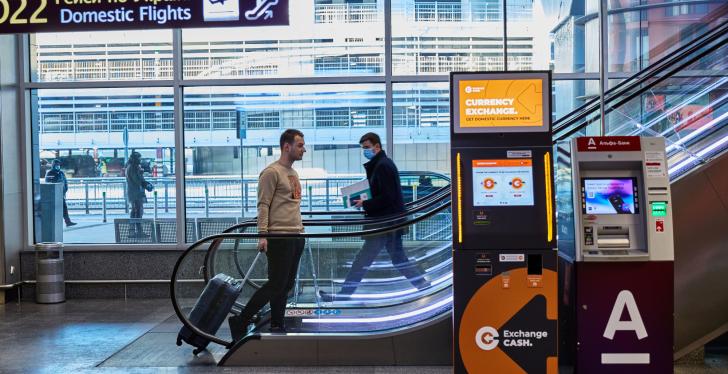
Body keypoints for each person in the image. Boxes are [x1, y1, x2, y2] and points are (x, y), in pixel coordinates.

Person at [319, 132, 429, 302]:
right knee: (397, 259)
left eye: (367, 147)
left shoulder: (383, 166)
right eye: (363, 148)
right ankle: (423, 286)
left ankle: (344, 295)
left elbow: (388, 197)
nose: (365, 151)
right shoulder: (381, 164)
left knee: (363, 260)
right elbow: (383, 194)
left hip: (384, 224)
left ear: (377, 147)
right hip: (388, 223)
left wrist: (365, 204)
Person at [228, 129, 306, 340]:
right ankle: (241, 320)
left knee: (286, 285)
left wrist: (300, 231)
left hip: (295, 236)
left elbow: (292, 204)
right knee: (275, 284)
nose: (304, 149)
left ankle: (277, 324)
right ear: (286, 146)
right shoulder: (271, 173)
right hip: (279, 236)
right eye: (300, 145)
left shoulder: (293, 173)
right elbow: (263, 206)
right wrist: (263, 235)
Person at [126, 152, 153, 238]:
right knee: (136, 212)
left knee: (138, 212)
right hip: (135, 194)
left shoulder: (134, 167)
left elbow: (139, 180)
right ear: (135, 159)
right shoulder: (132, 168)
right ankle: (135, 232)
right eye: (139, 159)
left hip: (137, 193)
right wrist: (145, 183)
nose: (140, 160)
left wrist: (145, 183)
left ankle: (136, 231)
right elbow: (137, 180)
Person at [45, 159, 77, 227]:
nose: (58, 166)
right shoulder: (50, 173)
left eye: (59, 165)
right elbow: (48, 183)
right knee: (55, 209)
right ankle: (53, 223)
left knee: (64, 208)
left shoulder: (61, 173)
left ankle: (68, 222)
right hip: (53, 195)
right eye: (57, 165)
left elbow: (65, 182)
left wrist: (65, 190)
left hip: (61, 194)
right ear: (53, 165)